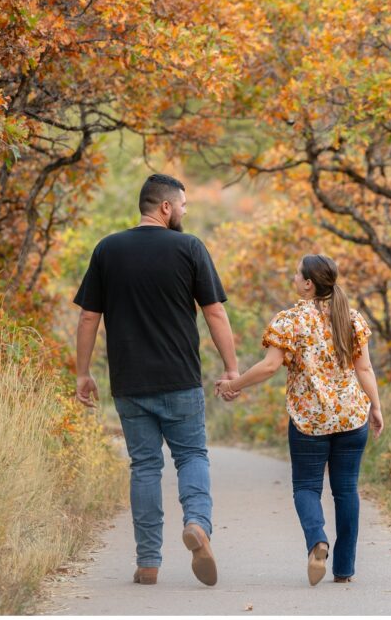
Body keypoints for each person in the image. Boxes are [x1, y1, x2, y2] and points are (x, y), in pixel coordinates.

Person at [73, 173, 239, 587]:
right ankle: (198, 523)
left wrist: (83, 372)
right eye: (182, 204)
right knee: (191, 457)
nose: (185, 211)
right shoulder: (189, 248)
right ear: (165, 207)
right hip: (180, 378)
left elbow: (89, 316)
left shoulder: (108, 249)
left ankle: (148, 562)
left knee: (145, 467)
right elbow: (214, 313)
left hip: (129, 382)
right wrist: (232, 369)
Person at [215, 254, 384, 586]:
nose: (293, 278)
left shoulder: (290, 320)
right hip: (352, 417)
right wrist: (375, 407)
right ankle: (345, 569)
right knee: (346, 490)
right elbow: (364, 369)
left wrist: (233, 385)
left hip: (309, 420)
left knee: (307, 487)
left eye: (296, 274)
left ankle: (317, 541)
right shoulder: (352, 318)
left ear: (308, 283)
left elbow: (268, 366)